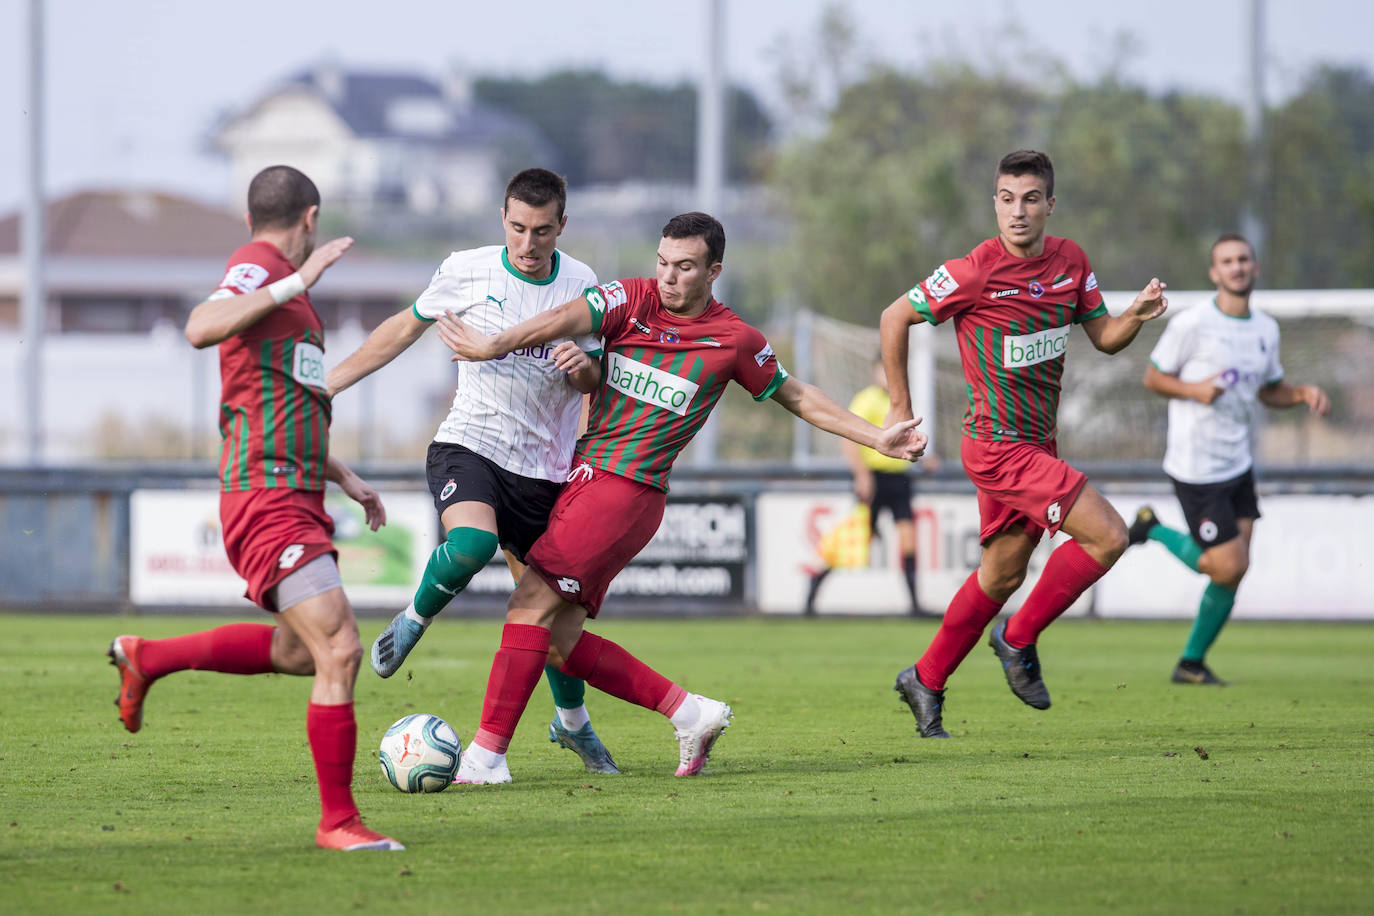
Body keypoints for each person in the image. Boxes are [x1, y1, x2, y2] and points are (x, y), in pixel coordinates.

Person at [436, 211, 927, 783]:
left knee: (528, 608)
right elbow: (560, 318)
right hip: (584, 479)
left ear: (714, 271)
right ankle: (690, 713)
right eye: (664, 263)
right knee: (559, 640)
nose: (669, 277)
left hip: (624, 494)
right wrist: (494, 343)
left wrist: (876, 437)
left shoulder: (735, 339)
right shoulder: (631, 298)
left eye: (686, 267)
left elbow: (796, 395)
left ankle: (486, 758)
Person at [106, 165, 402, 850]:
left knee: (303, 653)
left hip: (296, 493)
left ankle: (148, 657)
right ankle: (338, 823)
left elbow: (283, 406)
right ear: (311, 218)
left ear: (250, 216)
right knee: (340, 646)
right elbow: (199, 326)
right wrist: (295, 280)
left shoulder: (283, 298)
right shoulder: (259, 268)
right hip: (266, 499)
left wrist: (347, 477)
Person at [325, 167, 618, 774]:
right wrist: (330, 384)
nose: (528, 244)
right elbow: (403, 329)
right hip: (471, 443)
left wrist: (581, 368)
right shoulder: (465, 269)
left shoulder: (583, 283)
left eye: (542, 231)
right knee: (472, 543)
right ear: (502, 220)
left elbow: (597, 377)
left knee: (550, 621)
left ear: (562, 226)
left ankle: (572, 725)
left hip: (546, 469)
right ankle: (414, 619)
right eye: (517, 228)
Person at [879, 149, 1169, 738]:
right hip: (997, 446)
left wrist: (1135, 314)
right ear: (995, 203)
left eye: (1030, 199)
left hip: (1040, 445)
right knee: (1110, 536)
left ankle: (925, 678)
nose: (1017, 211)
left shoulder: (1071, 262)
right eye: (1006, 199)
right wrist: (901, 409)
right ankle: (1017, 638)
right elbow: (893, 318)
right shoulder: (971, 271)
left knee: (1001, 574)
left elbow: (1106, 338)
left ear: (1049, 205)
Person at [1126, 233, 1330, 685]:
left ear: (1254, 268)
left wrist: (1299, 393)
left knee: (1234, 572)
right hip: (1197, 466)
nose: (1237, 267)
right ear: (1214, 273)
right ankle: (1152, 527)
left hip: (1238, 463)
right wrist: (1195, 390)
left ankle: (1190, 663)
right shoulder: (1193, 324)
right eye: (1227, 261)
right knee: (1228, 565)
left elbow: (1267, 389)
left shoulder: (1265, 329)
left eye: (1243, 259)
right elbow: (1154, 378)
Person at [804, 355, 932, 617]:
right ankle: (813, 587)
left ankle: (914, 605)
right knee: (856, 541)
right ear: (874, 373)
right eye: (882, 371)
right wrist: (862, 476)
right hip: (874, 479)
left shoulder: (900, 403)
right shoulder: (867, 400)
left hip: (900, 481)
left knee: (909, 541)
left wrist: (927, 460)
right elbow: (848, 440)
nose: (887, 377)